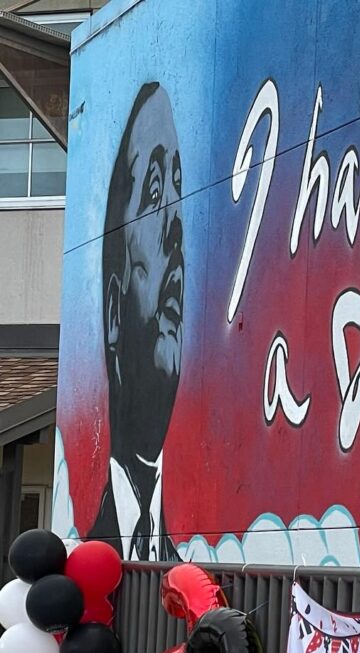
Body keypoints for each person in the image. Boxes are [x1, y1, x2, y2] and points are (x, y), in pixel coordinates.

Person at [86, 82, 184, 562]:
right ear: (112, 313)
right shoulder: (84, 561)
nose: (177, 223)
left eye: (180, 187)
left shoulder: (188, 568)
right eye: (153, 189)